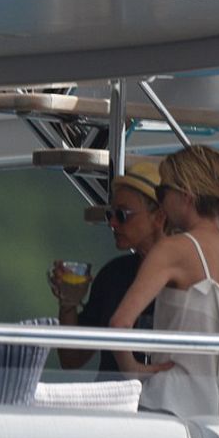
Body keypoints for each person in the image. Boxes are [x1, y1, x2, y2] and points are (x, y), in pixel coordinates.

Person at [109, 145, 219, 417]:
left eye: (162, 192)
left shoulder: (173, 249)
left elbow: (120, 324)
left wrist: (135, 371)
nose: (160, 202)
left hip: (171, 410)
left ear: (186, 195)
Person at [49, 162, 168, 379]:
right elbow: (71, 358)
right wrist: (68, 304)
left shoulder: (185, 279)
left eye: (122, 215)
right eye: (110, 214)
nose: (112, 223)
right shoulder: (113, 274)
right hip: (115, 398)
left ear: (159, 217)